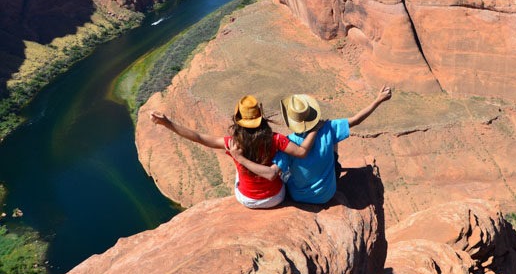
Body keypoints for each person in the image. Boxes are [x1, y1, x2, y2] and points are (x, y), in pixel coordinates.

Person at [149, 94, 318, 209]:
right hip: (276, 197)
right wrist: (314, 129)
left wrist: (167, 123)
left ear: (238, 121)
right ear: (261, 118)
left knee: (238, 174)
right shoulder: (275, 139)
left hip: (248, 200)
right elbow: (302, 152)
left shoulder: (233, 144)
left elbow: (198, 137)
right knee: (284, 163)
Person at [230, 86, 392, 204]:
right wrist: (378, 100)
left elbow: (273, 173)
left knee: (284, 173)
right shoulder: (328, 127)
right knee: (333, 140)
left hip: (299, 196)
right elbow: (356, 119)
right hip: (328, 193)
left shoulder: (288, 144)